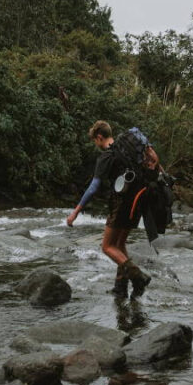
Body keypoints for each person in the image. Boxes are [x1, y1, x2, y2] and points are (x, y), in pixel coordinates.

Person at [66, 120, 151, 298]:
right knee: (119, 245)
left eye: (94, 141)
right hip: (138, 199)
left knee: (107, 247)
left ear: (99, 137)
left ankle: (138, 277)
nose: (95, 145)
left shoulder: (107, 156)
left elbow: (93, 187)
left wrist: (76, 211)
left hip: (121, 203)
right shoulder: (127, 151)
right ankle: (121, 287)